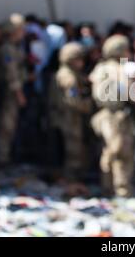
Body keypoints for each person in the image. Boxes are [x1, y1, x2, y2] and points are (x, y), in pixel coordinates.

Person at [89, 35, 135, 197]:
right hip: (117, 116)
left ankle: (106, 186)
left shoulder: (100, 68)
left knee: (107, 151)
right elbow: (129, 93)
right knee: (122, 154)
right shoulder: (120, 69)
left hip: (102, 114)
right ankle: (122, 190)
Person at [48, 42, 93, 181]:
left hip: (64, 116)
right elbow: (73, 100)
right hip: (69, 117)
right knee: (73, 150)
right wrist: (89, 105)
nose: (82, 63)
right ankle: (70, 180)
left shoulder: (65, 74)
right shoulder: (69, 77)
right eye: (79, 59)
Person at [0, 18, 27, 166]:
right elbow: (11, 73)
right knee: (6, 125)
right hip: (9, 93)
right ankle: (1, 157)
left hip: (14, 92)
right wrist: (19, 94)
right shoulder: (7, 49)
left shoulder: (15, 48)